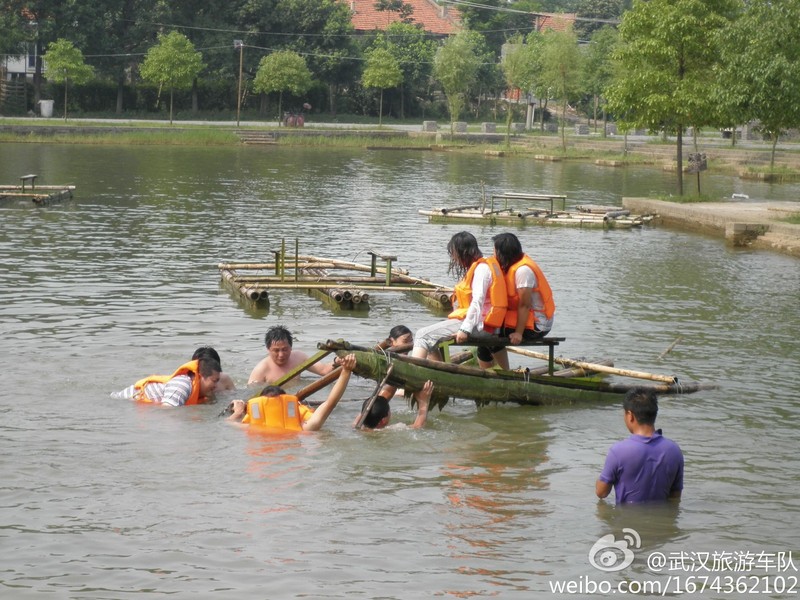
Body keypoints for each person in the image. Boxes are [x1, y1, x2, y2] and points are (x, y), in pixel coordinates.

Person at [411, 232, 507, 367]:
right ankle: (441, 375)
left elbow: (477, 301)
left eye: (454, 254)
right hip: (488, 325)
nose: (453, 258)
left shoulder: (481, 269)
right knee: (432, 338)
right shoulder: (484, 265)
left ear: (464, 252)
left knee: (423, 335)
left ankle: (413, 373)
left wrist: (465, 329)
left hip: (481, 326)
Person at [596, 388, 684, 504]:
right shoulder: (674, 451)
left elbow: (601, 493)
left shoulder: (618, 451)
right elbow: (675, 496)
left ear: (630, 415)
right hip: (659, 521)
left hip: (627, 520)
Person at [482, 232, 555, 369]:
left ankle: (505, 374)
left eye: (495, 250)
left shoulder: (523, 271)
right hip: (525, 317)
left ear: (503, 254)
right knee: (484, 338)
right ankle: (486, 376)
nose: (493, 254)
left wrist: (519, 333)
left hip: (538, 325)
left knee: (489, 334)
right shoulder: (511, 266)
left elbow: (525, 305)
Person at [228, 354, 357, 431]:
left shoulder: (252, 428)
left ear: (261, 406)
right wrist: (346, 371)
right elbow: (330, 403)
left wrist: (238, 412)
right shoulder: (305, 428)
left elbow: (228, 423)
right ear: (287, 405)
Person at [111, 356, 221, 407]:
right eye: (214, 381)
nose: (216, 386)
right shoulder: (182, 386)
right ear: (201, 376)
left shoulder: (204, 392)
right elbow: (167, 412)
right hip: (124, 401)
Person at [248, 325, 335, 385]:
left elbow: (324, 370)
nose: (281, 355)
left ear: (291, 347)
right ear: (268, 350)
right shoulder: (260, 370)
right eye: (276, 350)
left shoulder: (299, 357)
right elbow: (251, 397)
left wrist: (338, 361)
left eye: (285, 349)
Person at [354, 380, 434, 430]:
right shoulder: (387, 430)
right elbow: (418, 426)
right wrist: (423, 401)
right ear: (383, 420)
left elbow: (368, 409)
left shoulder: (357, 425)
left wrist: (396, 381)